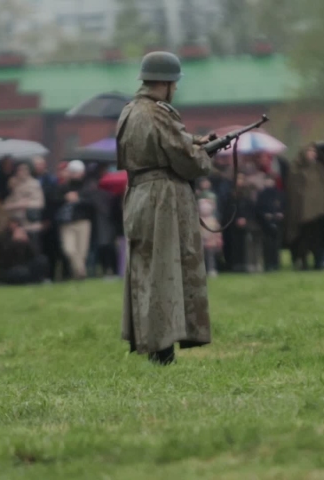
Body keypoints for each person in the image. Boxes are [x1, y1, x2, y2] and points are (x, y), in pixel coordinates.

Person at [117, 51, 213, 365]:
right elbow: (185, 161)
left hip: (138, 196)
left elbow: (160, 147)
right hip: (163, 198)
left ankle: (153, 345)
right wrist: (203, 155)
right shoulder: (160, 112)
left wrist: (196, 141)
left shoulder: (130, 110)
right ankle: (163, 352)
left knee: (146, 272)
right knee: (166, 271)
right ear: (167, 82)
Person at [285, 144, 324, 271]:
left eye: (314, 151)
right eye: (309, 151)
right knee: (302, 238)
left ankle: (318, 261)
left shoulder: (319, 168)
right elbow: (294, 191)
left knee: (319, 237)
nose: (312, 153)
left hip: (320, 213)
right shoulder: (295, 169)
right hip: (302, 214)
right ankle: (302, 261)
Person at [56, 160, 93, 280]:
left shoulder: (88, 186)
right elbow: (53, 199)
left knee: (82, 252)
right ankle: (81, 272)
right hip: (67, 223)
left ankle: (77, 276)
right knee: (69, 249)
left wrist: (79, 199)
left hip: (83, 222)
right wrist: (64, 198)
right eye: (72, 172)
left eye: (76, 172)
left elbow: (92, 204)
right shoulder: (63, 187)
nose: (74, 174)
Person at [0, 219, 50, 285]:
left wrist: (26, 241)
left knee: (42, 260)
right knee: (21, 272)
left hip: (27, 264)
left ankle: (39, 280)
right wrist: (14, 241)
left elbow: (35, 253)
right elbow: (4, 258)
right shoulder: (4, 239)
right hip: (10, 268)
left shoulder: (28, 237)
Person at [4, 162, 45, 243]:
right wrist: (17, 204)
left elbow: (40, 203)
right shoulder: (15, 185)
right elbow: (5, 206)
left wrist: (26, 204)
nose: (22, 172)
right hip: (17, 225)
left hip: (31, 225)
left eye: (25, 169)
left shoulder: (34, 184)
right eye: (19, 170)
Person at [256, 175, 285, 271]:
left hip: (277, 223)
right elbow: (258, 209)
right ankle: (268, 264)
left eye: (270, 180)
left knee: (276, 245)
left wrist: (281, 214)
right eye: (267, 180)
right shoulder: (261, 195)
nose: (269, 182)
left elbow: (283, 206)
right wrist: (264, 215)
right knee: (267, 245)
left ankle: (276, 263)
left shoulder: (278, 194)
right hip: (265, 224)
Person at [198, 198, 222, 277]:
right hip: (200, 242)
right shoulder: (198, 220)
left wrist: (218, 239)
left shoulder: (213, 220)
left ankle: (211, 269)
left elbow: (217, 231)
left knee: (211, 257)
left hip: (211, 242)